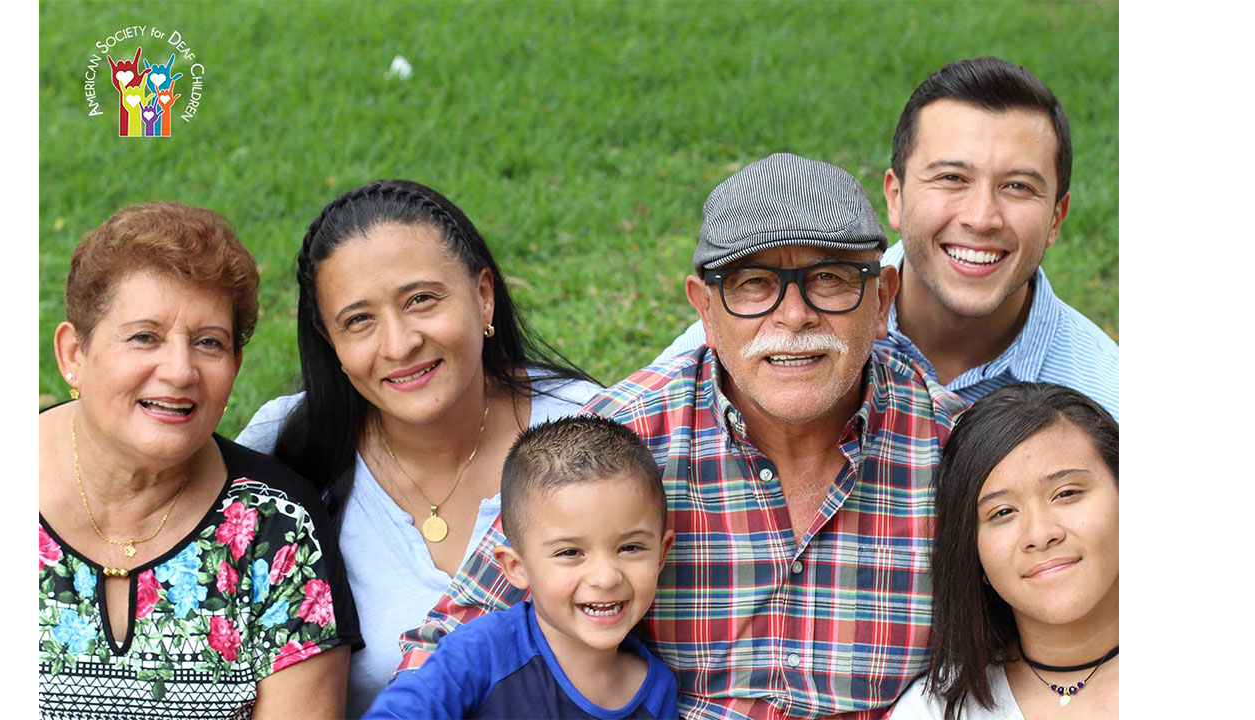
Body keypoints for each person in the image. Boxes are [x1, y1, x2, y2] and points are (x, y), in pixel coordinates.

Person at [398, 154, 966, 719]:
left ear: (883, 298)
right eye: (754, 284)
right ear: (705, 308)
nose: (794, 315)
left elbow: (1046, 659)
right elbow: (446, 647)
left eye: (830, 279)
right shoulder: (622, 441)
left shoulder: (957, 451)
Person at [234, 179, 603, 715]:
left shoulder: (587, 426)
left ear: (483, 295)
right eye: (358, 320)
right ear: (328, 339)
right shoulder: (287, 445)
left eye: (421, 300)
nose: (399, 343)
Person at [655, 57, 1118, 419]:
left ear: (1057, 217)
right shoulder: (789, 314)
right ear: (894, 197)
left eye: (1018, 186)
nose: (982, 218)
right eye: (952, 178)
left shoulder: (1108, 401)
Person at [39, 202, 360, 718]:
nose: (180, 370)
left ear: (234, 367)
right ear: (74, 353)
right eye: (145, 336)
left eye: (209, 343)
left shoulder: (275, 528)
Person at [364, 416, 679, 719]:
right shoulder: (479, 655)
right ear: (516, 566)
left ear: (661, 553)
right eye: (571, 552)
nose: (606, 577)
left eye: (630, 548)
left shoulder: (656, 692)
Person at [888, 383, 1118, 719]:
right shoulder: (936, 712)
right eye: (1003, 513)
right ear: (973, 551)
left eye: (1066, 493)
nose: (1040, 535)